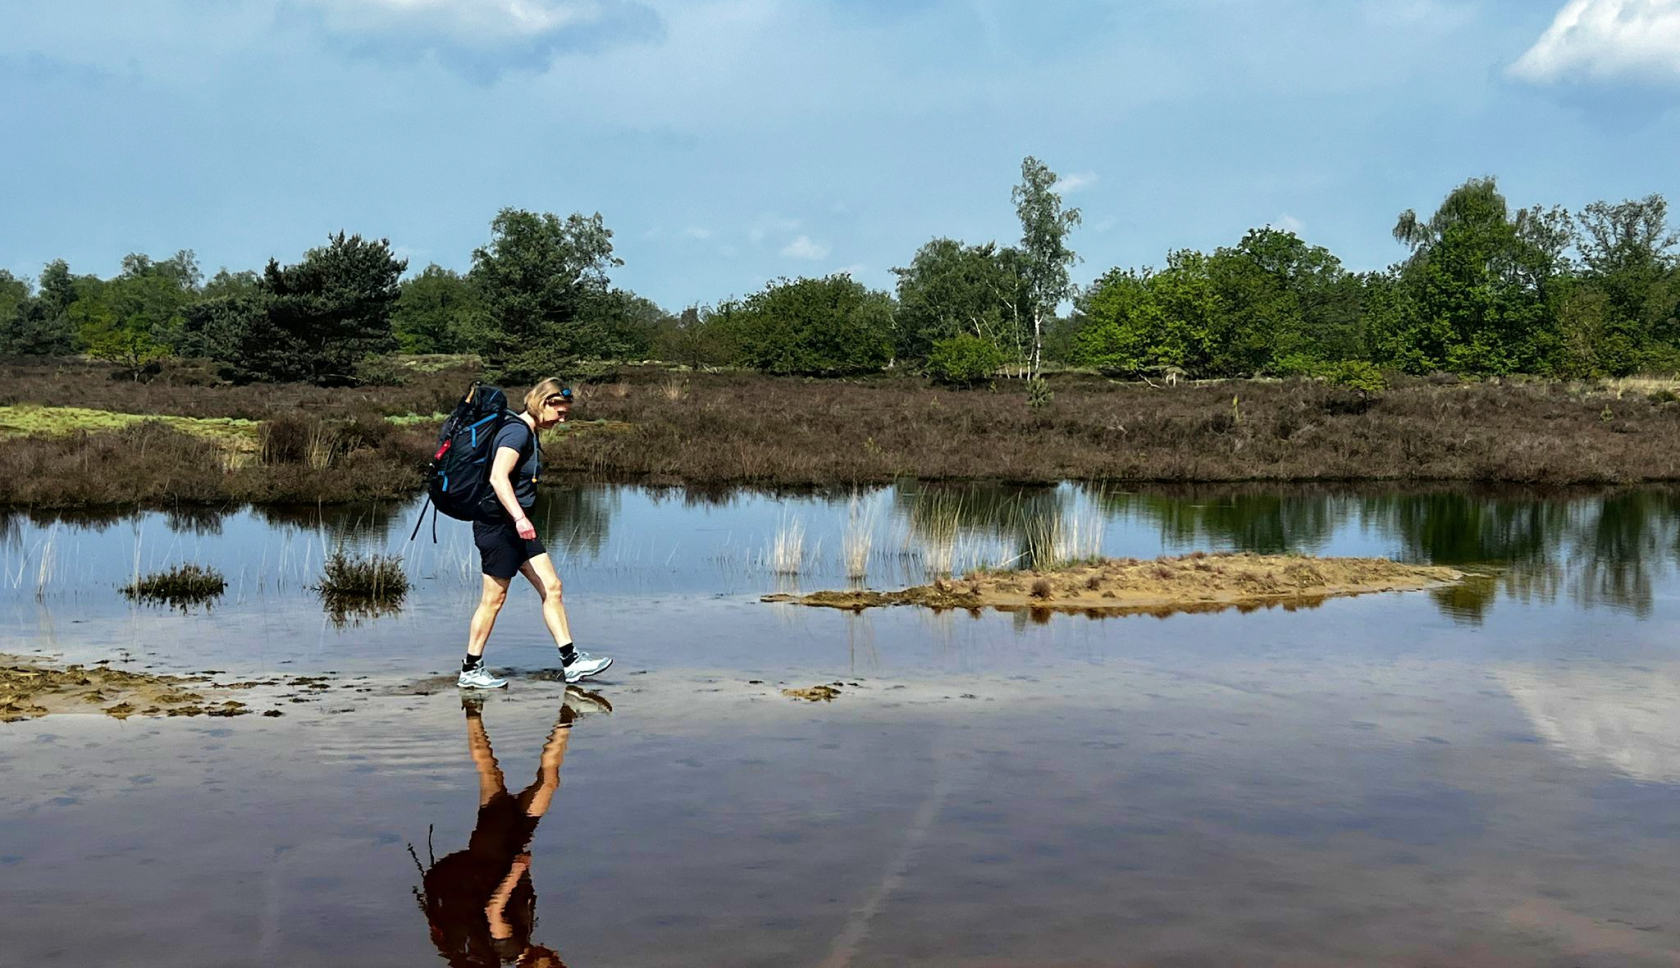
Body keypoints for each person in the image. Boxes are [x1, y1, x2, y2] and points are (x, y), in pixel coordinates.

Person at [417, 689, 611, 967]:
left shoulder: (510, 948)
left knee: (490, 771)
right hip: (510, 847)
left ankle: (472, 709)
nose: (554, 953)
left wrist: (516, 872)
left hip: (493, 849)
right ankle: (567, 714)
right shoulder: (519, 944)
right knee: (548, 783)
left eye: (552, 961)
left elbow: (493, 910)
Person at [459, 378, 612, 690]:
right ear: (544, 403)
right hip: (499, 526)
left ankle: (571, 661)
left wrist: (522, 520)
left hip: (518, 526)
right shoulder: (516, 432)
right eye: (560, 412)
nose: (563, 419)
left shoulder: (526, 431)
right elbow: (498, 477)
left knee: (552, 587)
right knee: (494, 599)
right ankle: (471, 669)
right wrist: (519, 518)